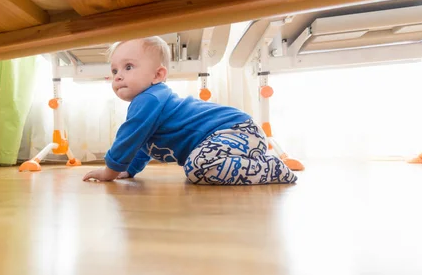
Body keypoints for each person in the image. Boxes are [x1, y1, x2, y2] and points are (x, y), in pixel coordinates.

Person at [82, 36, 297, 185]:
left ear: (157, 75)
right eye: (114, 70)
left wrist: (109, 171)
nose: (118, 76)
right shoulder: (150, 102)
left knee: (197, 168)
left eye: (128, 67)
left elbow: (129, 137)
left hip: (236, 130)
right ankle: (257, 162)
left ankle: (272, 168)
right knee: (198, 167)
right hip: (238, 133)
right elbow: (142, 144)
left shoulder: (149, 99)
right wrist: (129, 170)